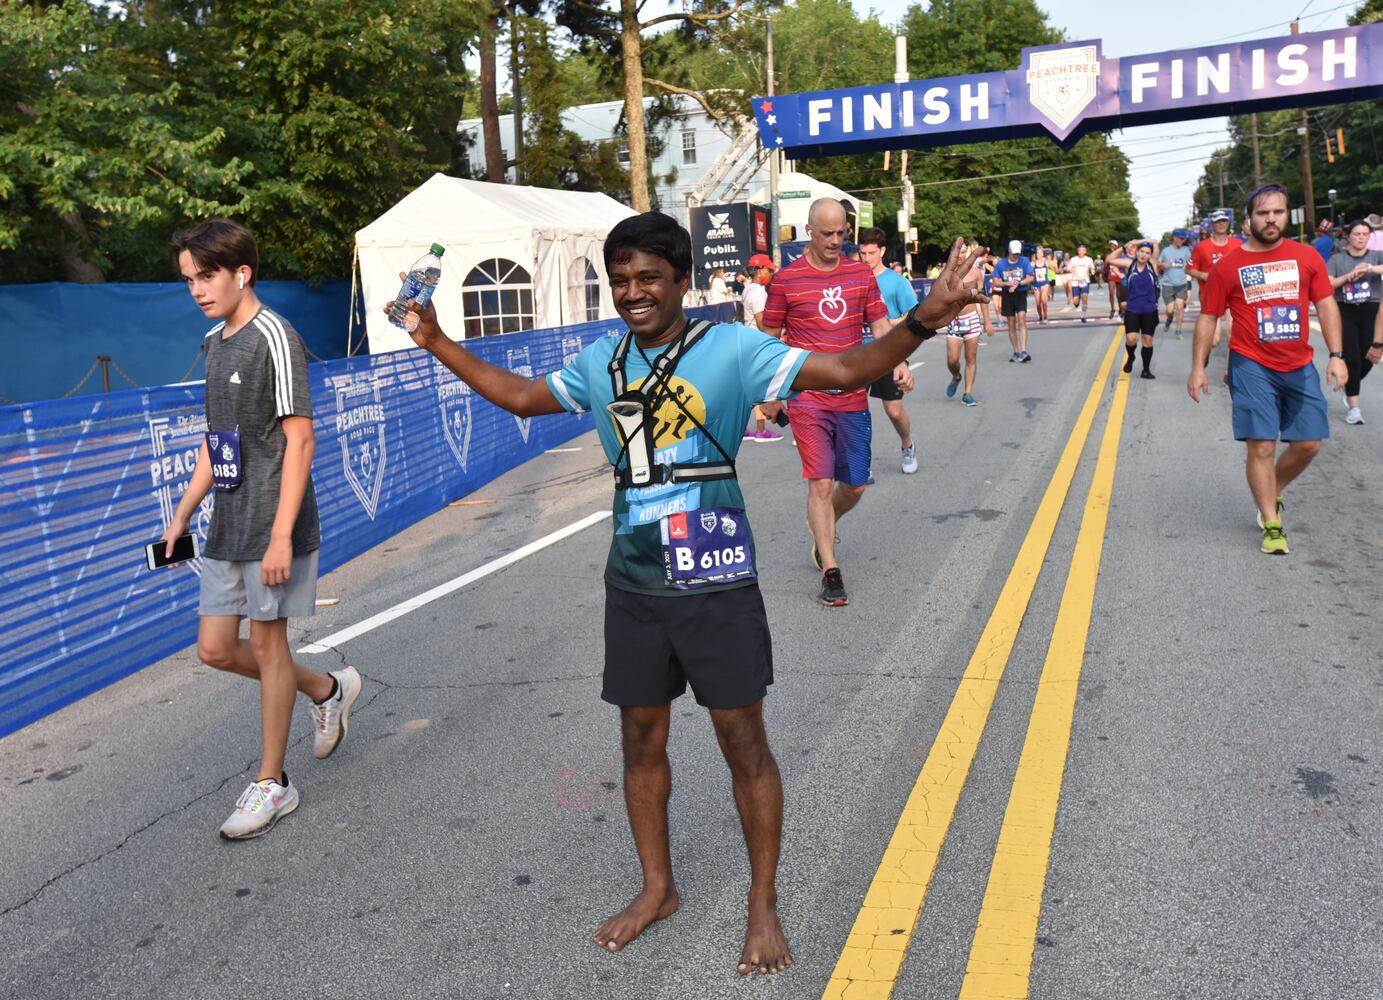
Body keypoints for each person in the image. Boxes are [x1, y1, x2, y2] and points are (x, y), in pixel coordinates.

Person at [391, 211, 984, 974]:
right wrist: (435, 339)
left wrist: (924, 319)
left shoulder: (730, 349)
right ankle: (657, 888)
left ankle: (762, 904)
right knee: (640, 738)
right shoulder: (602, 363)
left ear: (679, 281)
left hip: (715, 580)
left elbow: (844, 371)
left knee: (743, 742)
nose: (634, 293)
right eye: (622, 280)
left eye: (649, 278)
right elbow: (522, 397)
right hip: (634, 580)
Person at [163, 219, 360, 840]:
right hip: (228, 520)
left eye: (207, 276)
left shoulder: (275, 336)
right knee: (216, 648)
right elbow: (216, 440)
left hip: (276, 522)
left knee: (270, 645)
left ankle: (273, 783)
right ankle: (327, 688)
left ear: (241, 273)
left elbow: (301, 440)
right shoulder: (216, 341)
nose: (197, 289)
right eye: (189, 279)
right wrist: (184, 511)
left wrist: (281, 535)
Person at [761, 199, 915, 606]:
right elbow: (768, 340)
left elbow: (881, 326)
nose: (835, 241)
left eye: (841, 233)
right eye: (826, 233)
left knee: (856, 485)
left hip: (852, 395)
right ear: (810, 230)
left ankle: (823, 522)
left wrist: (899, 361)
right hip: (807, 396)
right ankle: (831, 570)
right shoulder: (787, 279)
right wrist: (771, 395)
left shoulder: (859, 273)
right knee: (821, 482)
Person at [1187, 184, 1347, 555]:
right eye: (1263, 213)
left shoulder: (1306, 257)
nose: (1271, 219)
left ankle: (1269, 489)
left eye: (1277, 212)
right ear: (1249, 220)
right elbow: (1209, 317)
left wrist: (1337, 355)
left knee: (1308, 443)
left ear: (1286, 215)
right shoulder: (1229, 266)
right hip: (1250, 363)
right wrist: (1198, 367)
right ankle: (1271, 522)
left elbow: (1325, 305)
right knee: (1261, 445)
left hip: (1299, 363)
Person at [857, 227, 920, 474]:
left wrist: (884, 322)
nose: (867, 258)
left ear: (882, 251)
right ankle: (863, 460)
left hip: (887, 352)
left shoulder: (896, 282)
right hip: (857, 355)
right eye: (862, 253)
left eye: (872, 253)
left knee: (893, 410)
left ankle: (907, 444)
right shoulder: (853, 278)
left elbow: (914, 316)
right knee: (856, 410)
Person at [1327, 220, 1383, 424]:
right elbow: (1328, 282)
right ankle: (1355, 409)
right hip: (1345, 310)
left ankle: (1350, 385)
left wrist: (1369, 269)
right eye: (1357, 234)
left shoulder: (1375, 257)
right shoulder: (1337, 259)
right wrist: (1348, 277)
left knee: (1369, 358)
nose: (1361, 238)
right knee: (1352, 358)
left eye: (1365, 234)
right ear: (1348, 236)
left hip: (1371, 310)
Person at [740, 254, 784, 443]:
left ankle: (746, 430)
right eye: (768, 270)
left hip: (749, 343)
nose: (771, 274)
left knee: (750, 389)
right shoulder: (758, 292)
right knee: (761, 388)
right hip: (757, 344)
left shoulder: (748, 289)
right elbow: (762, 323)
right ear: (758, 271)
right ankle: (760, 430)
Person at [1188, 209, 1236, 366]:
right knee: (1214, 340)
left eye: (1224, 221)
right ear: (1212, 225)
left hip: (1233, 296)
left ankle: (1230, 372)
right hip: (1211, 296)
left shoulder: (1238, 244)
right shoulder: (1202, 247)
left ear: (1228, 223)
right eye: (1217, 221)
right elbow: (1189, 269)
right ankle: (1206, 349)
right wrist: (1204, 276)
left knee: (1232, 333)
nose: (1221, 224)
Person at [1107, 240, 1161, 379]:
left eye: (1147, 253)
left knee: (1147, 340)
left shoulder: (1152, 265)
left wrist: (1139, 241)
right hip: (1133, 309)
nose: (1143, 255)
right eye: (1141, 251)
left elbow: (1155, 243)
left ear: (1150, 255)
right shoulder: (1129, 264)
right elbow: (1109, 259)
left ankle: (1146, 370)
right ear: (1136, 252)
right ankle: (1131, 357)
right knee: (1131, 339)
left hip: (1149, 309)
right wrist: (1125, 246)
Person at [944, 246, 988, 405]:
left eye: (964, 252)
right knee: (952, 360)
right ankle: (956, 376)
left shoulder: (977, 273)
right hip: (954, 320)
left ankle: (967, 393)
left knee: (971, 357)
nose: (961, 255)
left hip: (972, 319)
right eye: (958, 252)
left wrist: (987, 321)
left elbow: (983, 298)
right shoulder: (947, 274)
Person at [994, 239, 1035, 361]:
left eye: (1018, 254)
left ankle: (1023, 350)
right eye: (1014, 254)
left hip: (1021, 293)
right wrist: (1007, 283)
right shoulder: (1001, 264)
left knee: (1022, 319)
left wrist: (1019, 282)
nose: (1016, 256)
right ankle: (1016, 351)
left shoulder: (1024, 261)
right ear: (1009, 251)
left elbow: (1030, 277)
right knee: (1011, 323)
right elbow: (996, 281)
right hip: (1007, 295)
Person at [1158, 230, 1193, 339]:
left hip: (1181, 284)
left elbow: (1191, 263)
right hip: (1168, 284)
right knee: (1169, 310)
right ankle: (1169, 320)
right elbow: (1158, 264)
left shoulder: (1186, 250)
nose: (1183, 241)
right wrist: (1164, 265)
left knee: (1179, 306)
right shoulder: (1166, 251)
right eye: (1181, 238)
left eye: (1184, 239)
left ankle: (1178, 330)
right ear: (1174, 238)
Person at [1067, 245, 1096, 322]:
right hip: (1075, 281)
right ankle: (1077, 300)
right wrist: (1069, 270)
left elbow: (1092, 268)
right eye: (1080, 250)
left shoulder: (1089, 259)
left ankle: (1083, 315)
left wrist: (1092, 271)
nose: (1081, 252)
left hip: (1085, 280)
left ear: (1085, 251)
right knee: (1076, 302)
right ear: (1078, 251)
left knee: (1085, 296)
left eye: (1083, 250)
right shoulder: (1073, 259)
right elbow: (1068, 268)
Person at [1105, 239, 1125, 319]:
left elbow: (1123, 264)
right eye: (1110, 245)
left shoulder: (1121, 255)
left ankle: (1121, 309)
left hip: (1118, 274)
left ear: (1116, 247)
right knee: (1111, 293)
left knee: (1119, 294)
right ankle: (1112, 309)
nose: (1112, 247)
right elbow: (1105, 265)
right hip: (1111, 275)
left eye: (1113, 245)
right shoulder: (1108, 255)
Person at [1031, 247, 1051, 324]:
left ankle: (1045, 316)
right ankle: (1040, 316)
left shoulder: (1046, 262)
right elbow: (1028, 272)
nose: (1039, 254)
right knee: (1038, 303)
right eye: (1038, 253)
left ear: (1043, 254)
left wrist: (1058, 269)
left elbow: (1054, 269)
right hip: (1036, 284)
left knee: (1043, 300)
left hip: (1044, 283)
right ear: (1036, 254)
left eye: (1040, 253)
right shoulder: (1033, 263)